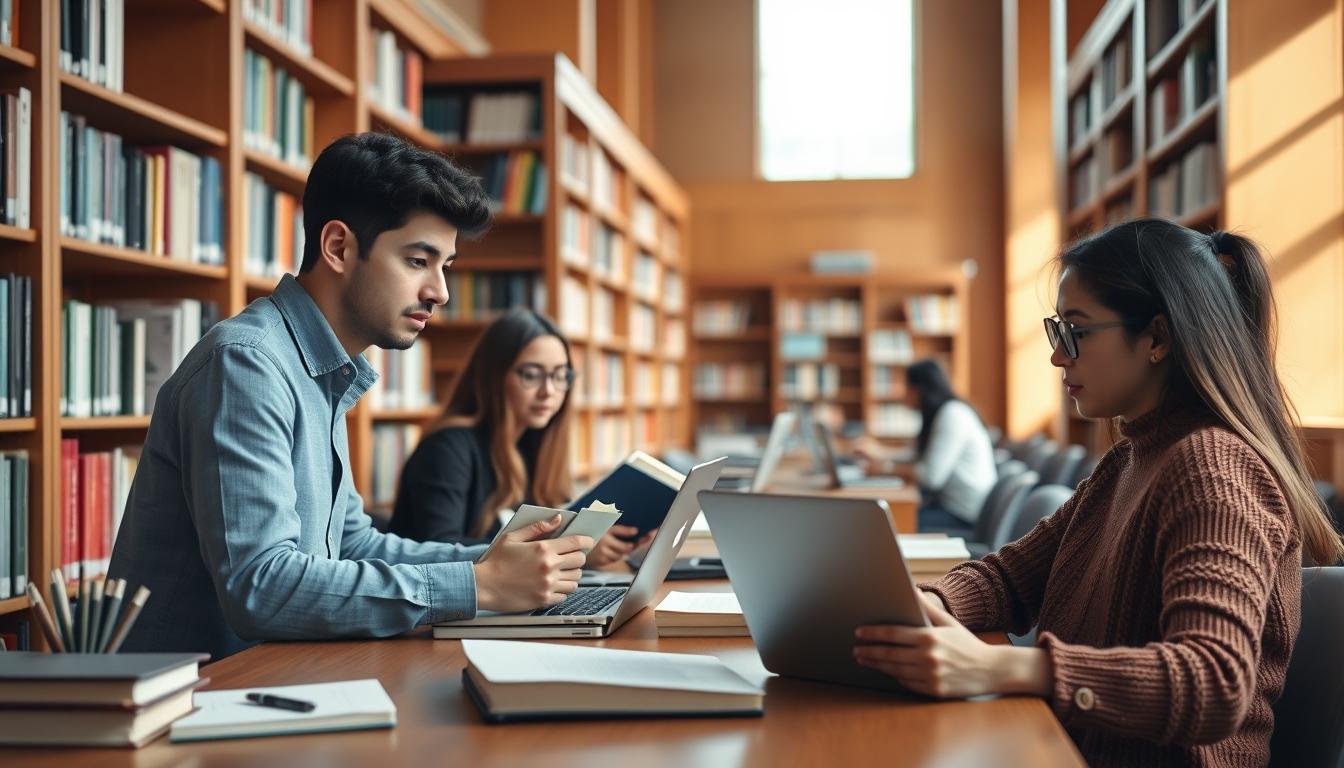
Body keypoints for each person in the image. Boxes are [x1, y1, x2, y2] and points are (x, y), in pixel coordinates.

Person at [852, 219, 1344, 766]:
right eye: (1056, 330)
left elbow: (1212, 682)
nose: (1058, 356)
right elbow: (1010, 577)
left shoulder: (1212, 467)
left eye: (1076, 331)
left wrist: (1007, 667)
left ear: (1156, 337)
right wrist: (921, 606)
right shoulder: (1132, 459)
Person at [106, 133, 592, 661]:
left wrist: (493, 562)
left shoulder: (324, 370)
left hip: (270, 683)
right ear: (339, 247)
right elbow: (260, 586)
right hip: (189, 707)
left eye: (444, 265)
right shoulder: (248, 364)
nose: (440, 292)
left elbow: (354, 545)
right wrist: (479, 586)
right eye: (417, 261)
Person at [389, 309, 650, 567]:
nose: (549, 391)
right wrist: (566, 550)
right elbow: (439, 551)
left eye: (560, 376)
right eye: (531, 374)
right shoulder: (447, 449)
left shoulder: (533, 443)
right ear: (494, 376)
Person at [852, 359, 996, 533]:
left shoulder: (952, 415)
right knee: (882, 520)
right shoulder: (943, 413)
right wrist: (879, 452)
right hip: (948, 507)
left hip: (963, 515)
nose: (903, 394)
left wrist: (885, 468)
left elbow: (931, 477)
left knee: (883, 525)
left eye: (907, 387)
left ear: (920, 389)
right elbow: (914, 455)